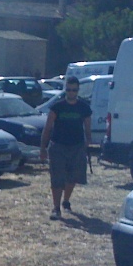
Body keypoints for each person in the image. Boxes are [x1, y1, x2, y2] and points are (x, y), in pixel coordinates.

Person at [39, 76, 92, 220]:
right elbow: (48, 128)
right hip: (58, 146)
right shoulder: (57, 107)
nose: (71, 92)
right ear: (65, 90)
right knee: (57, 178)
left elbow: (87, 127)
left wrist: (88, 143)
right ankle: (56, 208)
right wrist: (43, 148)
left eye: (74, 90)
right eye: (69, 90)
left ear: (78, 90)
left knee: (73, 177)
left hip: (77, 146)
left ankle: (66, 201)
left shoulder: (84, 107)